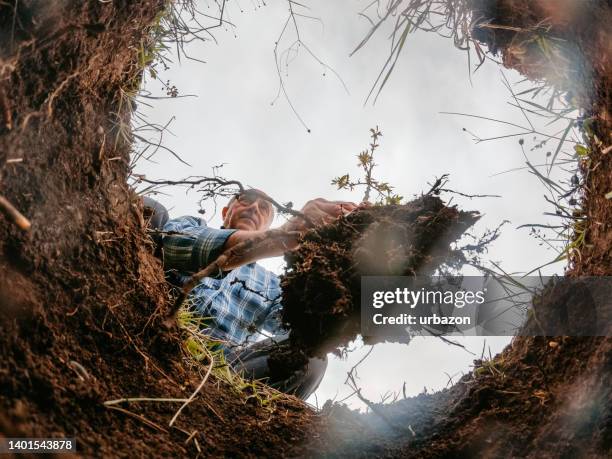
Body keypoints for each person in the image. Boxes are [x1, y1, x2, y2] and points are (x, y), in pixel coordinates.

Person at [158, 189, 358, 399]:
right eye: (246, 201)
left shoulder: (272, 285)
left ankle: (229, 409)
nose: (254, 208)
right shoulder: (193, 225)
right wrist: (284, 237)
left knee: (311, 356)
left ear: (267, 226)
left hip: (228, 373)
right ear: (226, 211)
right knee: (152, 209)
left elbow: (302, 323)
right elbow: (174, 245)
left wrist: (340, 270)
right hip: (163, 333)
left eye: (264, 208)